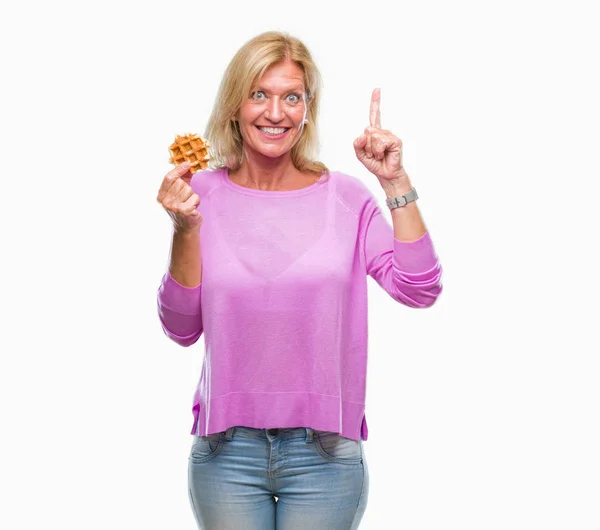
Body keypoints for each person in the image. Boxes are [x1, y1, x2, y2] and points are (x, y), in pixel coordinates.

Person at [156, 31, 443, 529]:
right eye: (259, 94)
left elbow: (419, 288)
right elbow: (181, 328)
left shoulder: (346, 198)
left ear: (307, 108)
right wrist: (185, 229)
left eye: (292, 96)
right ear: (234, 105)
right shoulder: (198, 193)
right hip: (226, 454)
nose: (275, 112)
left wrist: (395, 182)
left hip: (325, 455)